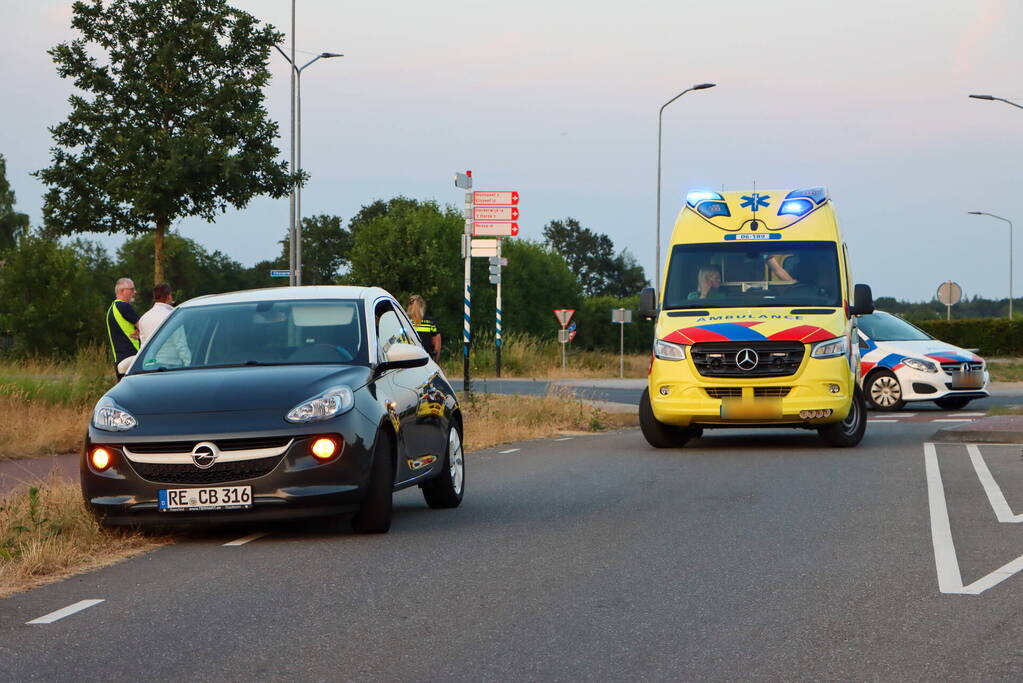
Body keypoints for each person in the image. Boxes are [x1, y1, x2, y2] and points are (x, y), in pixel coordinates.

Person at [138, 282, 192, 368]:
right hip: (171, 365)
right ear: (169, 296)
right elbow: (180, 344)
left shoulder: (144, 318)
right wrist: (189, 364)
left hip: (149, 367)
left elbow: (143, 347)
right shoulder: (173, 316)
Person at [106, 277, 140, 379]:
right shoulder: (124, 306)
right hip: (132, 358)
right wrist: (139, 330)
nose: (135, 292)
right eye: (132, 289)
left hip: (120, 360)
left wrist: (137, 331)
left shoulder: (111, 309)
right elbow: (144, 326)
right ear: (122, 291)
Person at [407, 295, 441, 361]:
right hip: (426, 361)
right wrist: (435, 361)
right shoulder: (431, 322)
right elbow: (437, 344)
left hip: (409, 362)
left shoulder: (405, 322)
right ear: (422, 306)